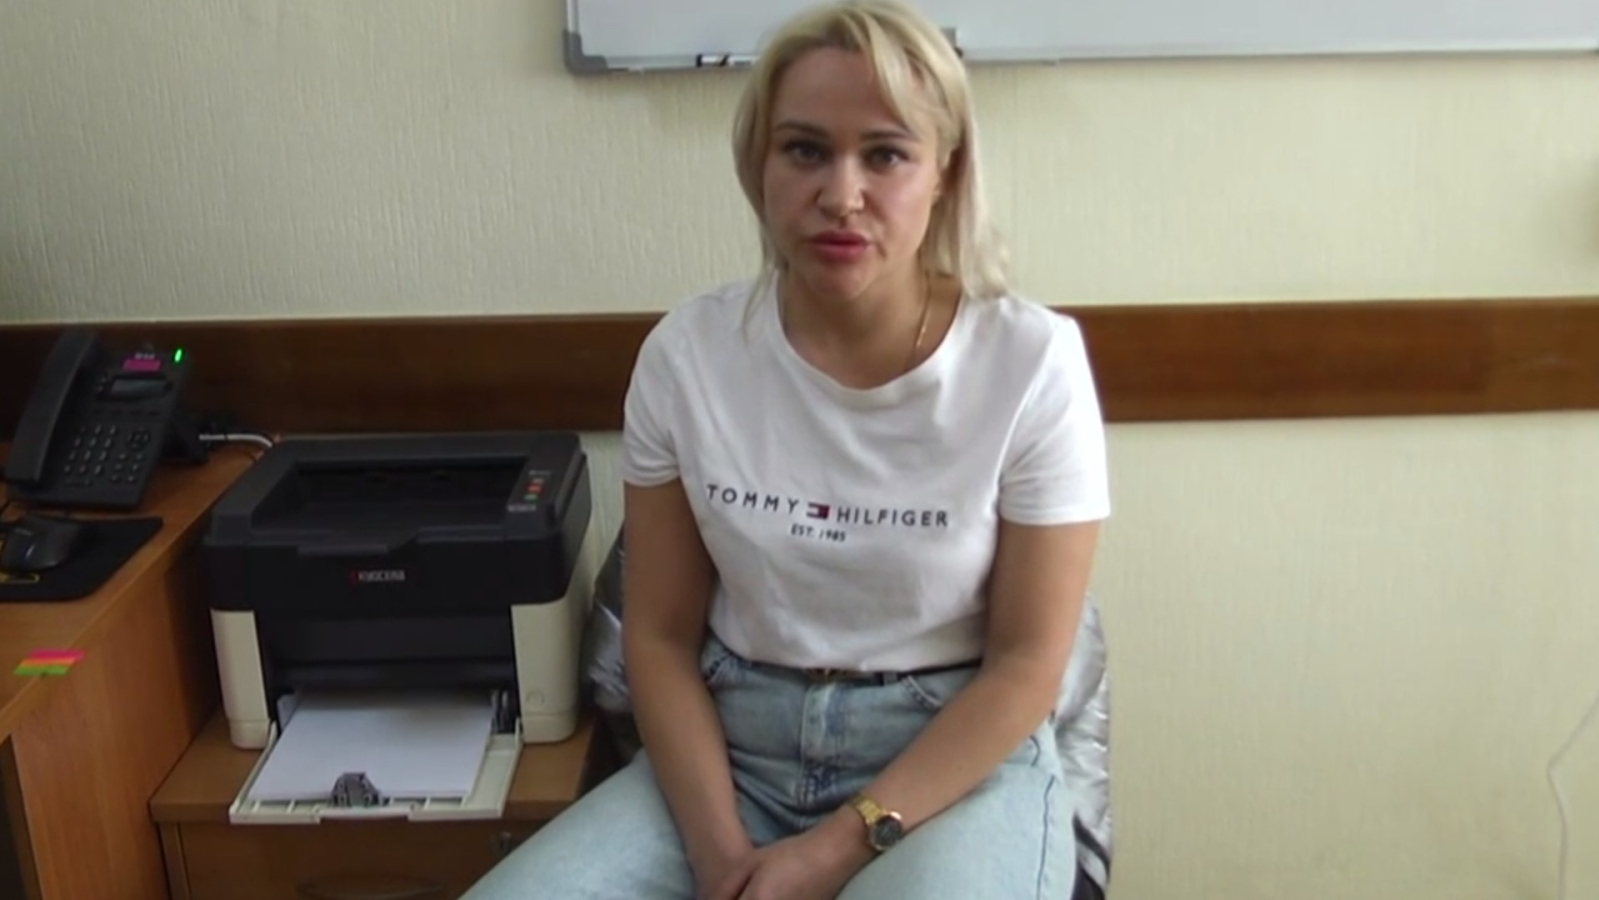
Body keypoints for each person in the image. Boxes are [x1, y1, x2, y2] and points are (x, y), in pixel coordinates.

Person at [460, 1, 1110, 897]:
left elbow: (1028, 666)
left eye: (884, 154)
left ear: (944, 173)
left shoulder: (1031, 363)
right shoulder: (687, 356)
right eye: (804, 150)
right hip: (733, 751)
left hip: (946, 760)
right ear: (757, 167)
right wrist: (719, 857)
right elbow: (659, 637)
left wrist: (835, 848)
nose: (841, 194)